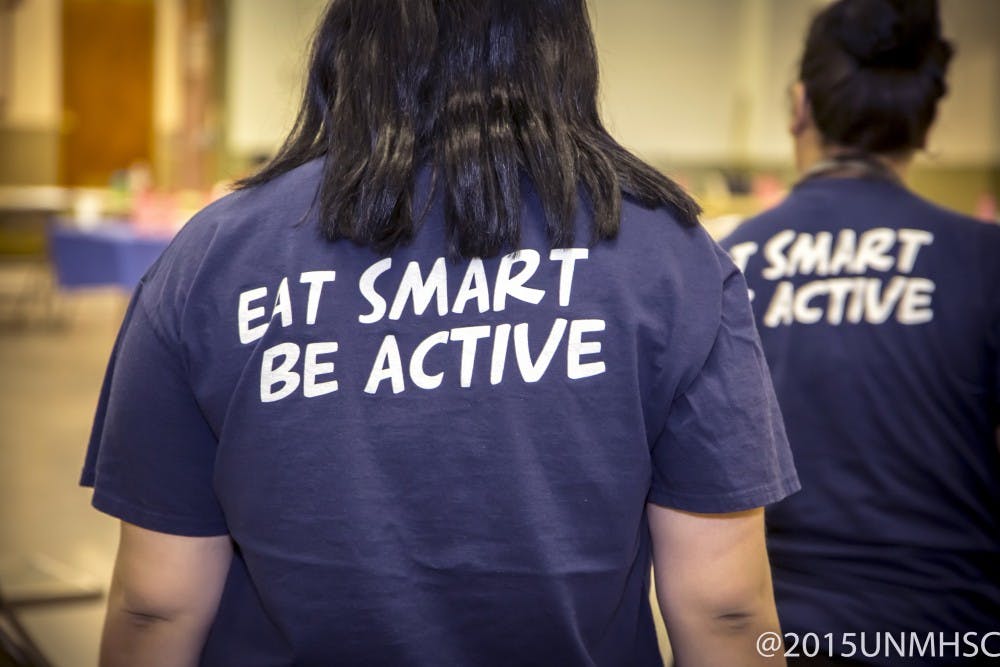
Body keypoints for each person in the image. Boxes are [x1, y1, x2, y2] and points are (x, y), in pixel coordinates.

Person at [81, 1, 799, 665]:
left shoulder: (211, 258)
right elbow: (726, 607)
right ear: (562, 43)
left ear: (353, 33)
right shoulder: (671, 260)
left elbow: (156, 604)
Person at [721, 1, 1000, 665]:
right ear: (927, 119)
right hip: (954, 635)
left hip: (777, 639)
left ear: (798, 106)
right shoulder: (983, 262)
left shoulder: (727, 264)